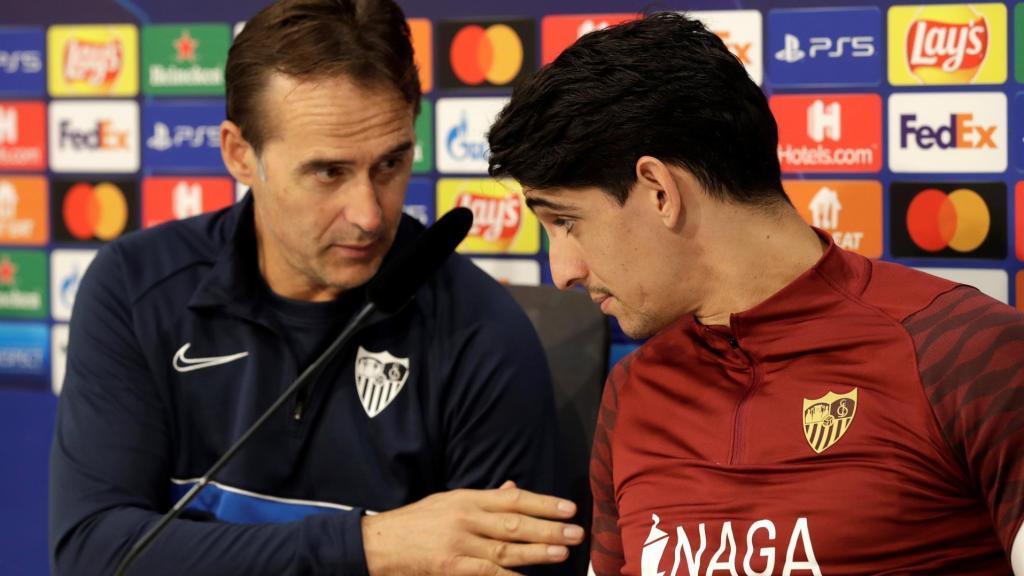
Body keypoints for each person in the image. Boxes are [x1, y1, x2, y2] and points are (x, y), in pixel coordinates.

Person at [48, 0, 585, 574]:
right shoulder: (135, 288)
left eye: (391, 163)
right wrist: (369, 547)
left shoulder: (483, 335)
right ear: (239, 155)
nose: (369, 215)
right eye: (329, 172)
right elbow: (94, 553)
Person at [487, 12, 1024, 576]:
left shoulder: (969, 357)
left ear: (658, 191)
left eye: (567, 222)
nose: (562, 272)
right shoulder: (633, 392)